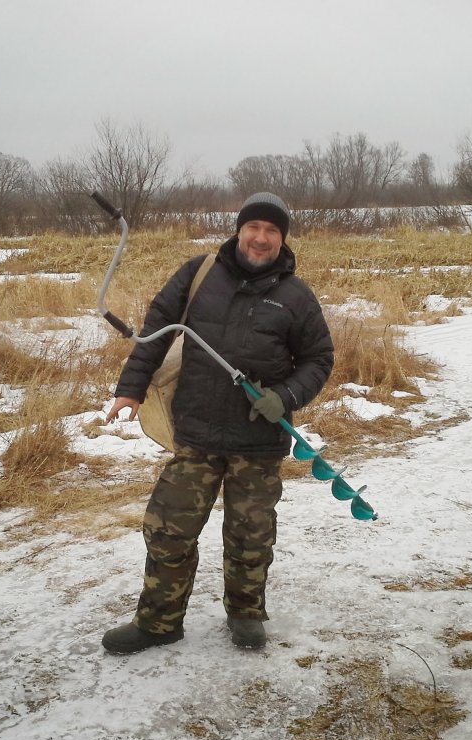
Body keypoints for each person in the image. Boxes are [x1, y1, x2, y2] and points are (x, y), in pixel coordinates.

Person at [102, 192, 334, 653]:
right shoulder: (199, 273)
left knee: (251, 537)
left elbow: (318, 359)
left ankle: (246, 614)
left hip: (259, 440)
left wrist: (285, 396)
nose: (261, 238)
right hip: (198, 432)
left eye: (272, 230)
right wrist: (131, 387)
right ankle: (159, 621)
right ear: (239, 230)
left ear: (282, 239)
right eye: (254, 227)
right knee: (168, 530)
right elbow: (156, 330)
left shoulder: (295, 296)